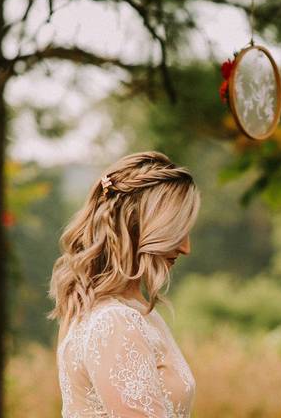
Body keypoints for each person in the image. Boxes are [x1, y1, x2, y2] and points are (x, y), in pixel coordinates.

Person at [49, 151, 200, 418]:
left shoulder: (122, 311)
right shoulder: (114, 321)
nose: (186, 247)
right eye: (177, 229)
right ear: (140, 225)